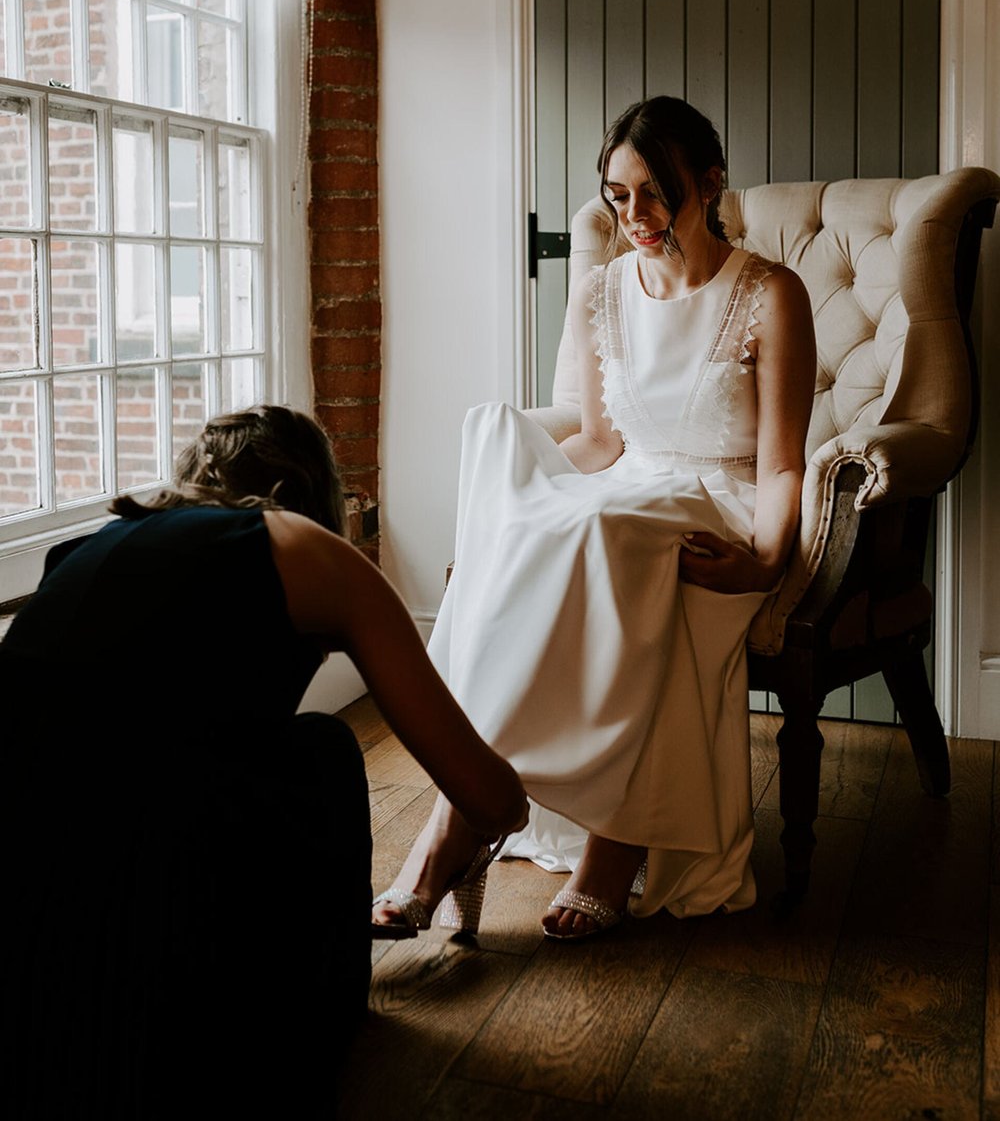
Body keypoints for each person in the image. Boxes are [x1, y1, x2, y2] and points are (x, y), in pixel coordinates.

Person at [0, 405, 527, 1119]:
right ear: (305, 490)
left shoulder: (98, 542)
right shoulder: (300, 543)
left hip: (23, 891)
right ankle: (301, 1005)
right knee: (325, 748)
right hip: (149, 896)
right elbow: (485, 794)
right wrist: (505, 808)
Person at [373, 96, 815, 942]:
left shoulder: (771, 295)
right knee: (535, 499)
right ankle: (455, 830)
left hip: (716, 504)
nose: (635, 217)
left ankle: (603, 846)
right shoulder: (603, 289)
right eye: (618, 195)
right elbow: (600, 440)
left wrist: (764, 560)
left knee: (617, 536)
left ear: (711, 182)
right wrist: (509, 520)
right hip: (628, 489)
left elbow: (782, 461)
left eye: (655, 193)